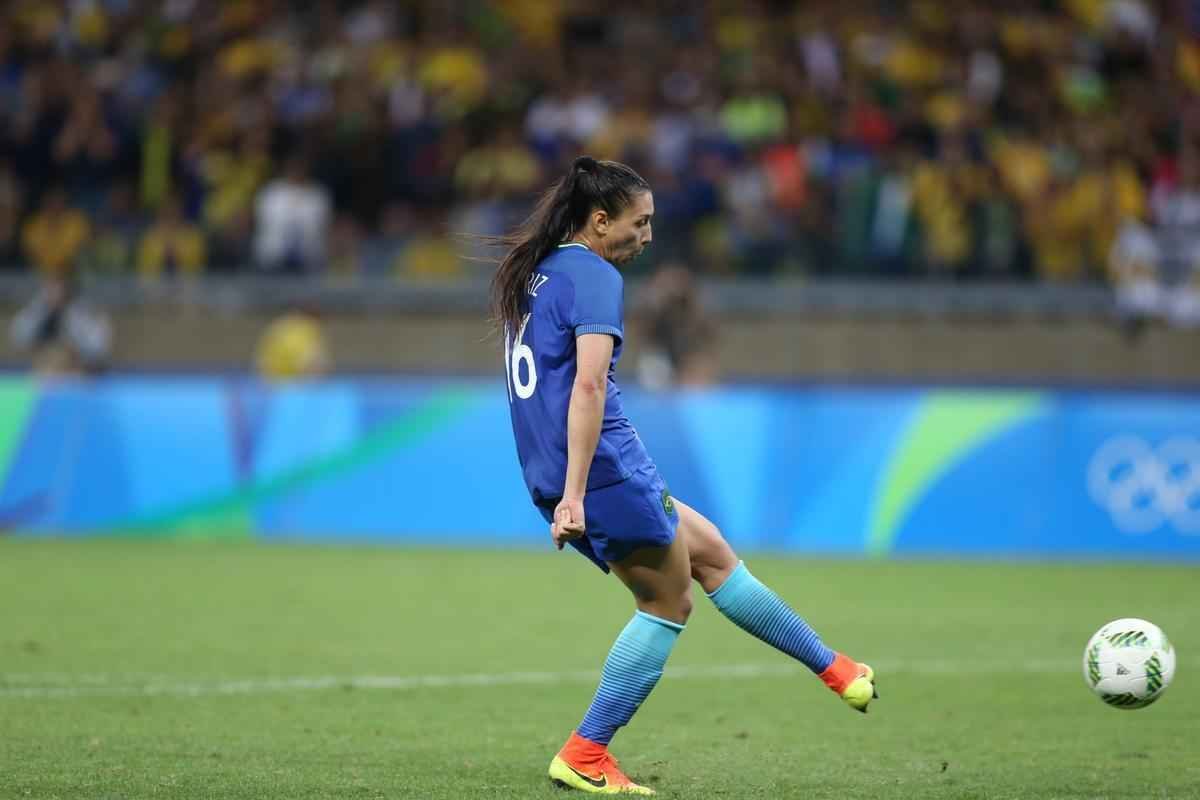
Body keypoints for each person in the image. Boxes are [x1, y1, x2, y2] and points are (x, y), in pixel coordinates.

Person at [491, 156, 877, 796]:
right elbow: (585, 387)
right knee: (667, 603)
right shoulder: (594, 276)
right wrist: (577, 495)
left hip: (568, 464)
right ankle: (586, 753)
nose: (647, 236)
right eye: (638, 223)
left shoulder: (540, 271)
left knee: (714, 554)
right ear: (600, 219)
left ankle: (836, 668)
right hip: (601, 469)